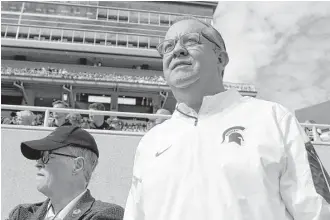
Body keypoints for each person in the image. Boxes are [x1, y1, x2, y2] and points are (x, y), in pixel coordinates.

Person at [124, 17, 330, 220]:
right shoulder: (150, 143)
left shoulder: (274, 119)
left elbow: (317, 210)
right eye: (167, 46)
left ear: (220, 59)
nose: (177, 50)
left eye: (191, 41)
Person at [7, 126, 124, 220]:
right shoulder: (21, 214)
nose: (38, 163)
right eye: (39, 157)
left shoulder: (105, 215)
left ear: (77, 165)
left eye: (47, 156)